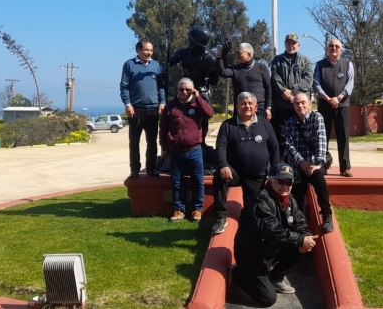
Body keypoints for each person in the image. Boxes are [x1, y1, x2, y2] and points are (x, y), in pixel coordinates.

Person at [231, 162, 319, 307]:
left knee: (303, 246)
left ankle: (275, 278)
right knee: (267, 300)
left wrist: (305, 238)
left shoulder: (290, 200)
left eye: (289, 182)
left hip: (272, 248)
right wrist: (300, 239)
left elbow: (301, 224)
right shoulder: (261, 202)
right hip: (252, 255)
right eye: (281, 181)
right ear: (270, 180)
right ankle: (237, 274)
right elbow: (274, 232)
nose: (285, 186)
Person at [212, 92, 279, 235]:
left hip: (257, 176)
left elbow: (274, 149)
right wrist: (223, 165)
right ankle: (220, 218)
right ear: (237, 107)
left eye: (250, 103)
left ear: (256, 107)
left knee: (254, 216)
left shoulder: (265, 125)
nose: (246, 106)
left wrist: (274, 172)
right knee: (219, 175)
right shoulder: (227, 125)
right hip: (234, 173)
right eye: (243, 103)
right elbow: (220, 147)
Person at [159, 78, 215, 222]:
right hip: (175, 151)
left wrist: (198, 97)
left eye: (188, 89)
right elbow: (163, 128)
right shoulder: (171, 106)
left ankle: (197, 209)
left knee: (197, 181)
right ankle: (178, 210)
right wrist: (164, 147)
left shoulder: (198, 104)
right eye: (181, 89)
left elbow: (210, 114)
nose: (184, 92)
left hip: (194, 150)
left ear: (193, 90)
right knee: (176, 182)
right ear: (177, 90)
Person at [284, 92, 334, 233]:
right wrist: (302, 163)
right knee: (298, 193)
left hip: (316, 163)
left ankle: (326, 214)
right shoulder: (290, 123)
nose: (300, 105)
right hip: (299, 166)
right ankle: (300, 226)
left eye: (303, 102)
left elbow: (321, 142)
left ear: (310, 104)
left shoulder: (317, 118)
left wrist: (316, 164)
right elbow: (290, 145)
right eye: (297, 103)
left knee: (318, 176)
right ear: (293, 106)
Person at [164, 26, 220, 142]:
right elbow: (168, 64)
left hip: (201, 90)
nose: (188, 41)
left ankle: (202, 142)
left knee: (205, 115)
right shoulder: (182, 53)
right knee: (175, 112)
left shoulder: (211, 57)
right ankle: (175, 140)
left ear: (195, 42)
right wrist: (163, 69)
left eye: (190, 39)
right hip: (185, 88)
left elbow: (215, 79)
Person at [120, 40, 166, 178]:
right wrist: (127, 104)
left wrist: (162, 101)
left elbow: (161, 86)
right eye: (146, 50)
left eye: (151, 50)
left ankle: (151, 168)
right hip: (135, 109)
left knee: (152, 142)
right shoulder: (129, 64)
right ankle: (135, 169)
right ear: (138, 50)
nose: (149, 53)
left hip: (152, 109)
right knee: (134, 142)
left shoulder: (156, 65)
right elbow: (124, 86)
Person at [313, 38, 355, 177]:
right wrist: (328, 98)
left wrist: (338, 98)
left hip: (342, 105)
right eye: (331, 46)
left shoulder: (347, 64)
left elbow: (350, 84)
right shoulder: (319, 65)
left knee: (343, 136)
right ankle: (323, 166)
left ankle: (345, 168)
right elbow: (316, 84)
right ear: (327, 49)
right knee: (322, 137)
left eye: (337, 46)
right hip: (324, 106)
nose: (334, 48)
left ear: (341, 50)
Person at [270, 33, 313, 157]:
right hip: (281, 106)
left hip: (300, 107)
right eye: (288, 43)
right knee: (282, 136)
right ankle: (282, 166)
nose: (291, 45)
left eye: (293, 43)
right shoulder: (276, 61)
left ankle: (302, 164)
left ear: (298, 45)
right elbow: (275, 78)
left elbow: (308, 80)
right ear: (285, 44)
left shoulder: (305, 61)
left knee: (302, 135)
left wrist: (293, 91)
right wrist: (285, 93)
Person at [216, 42, 272, 120]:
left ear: (249, 54)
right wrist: (220, 56)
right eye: (236, 53)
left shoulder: (261, 68)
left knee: (258, 131)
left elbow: (268, 88)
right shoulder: (235, 69)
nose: (237, 55)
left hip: (258, 108)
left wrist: (268, 107)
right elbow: (223, 72)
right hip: (240, 107)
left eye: (239, 53)